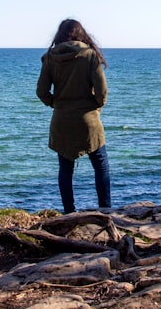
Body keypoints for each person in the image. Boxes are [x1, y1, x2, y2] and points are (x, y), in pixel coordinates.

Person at [36, 18, 112, 214]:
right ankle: (105, 210)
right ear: (81, 34)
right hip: (88, 120)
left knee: (65, 168)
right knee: (100, 165)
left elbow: (42, 91)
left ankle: (69, 212)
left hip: (61, 120)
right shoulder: (90, 55)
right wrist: (95, 107)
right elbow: (102, 92)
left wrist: (56, 104)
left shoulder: (50, 57)